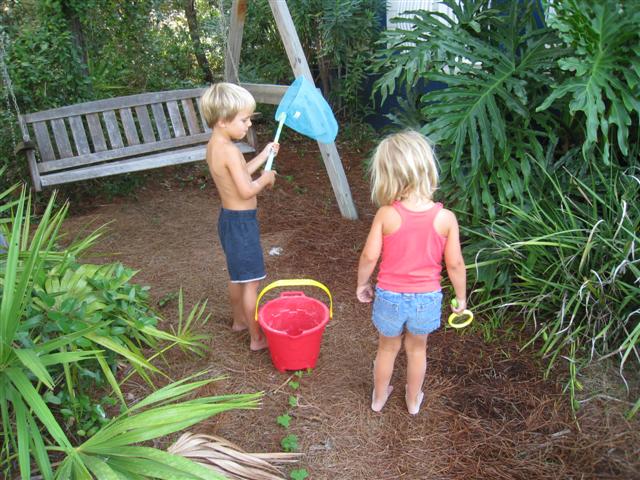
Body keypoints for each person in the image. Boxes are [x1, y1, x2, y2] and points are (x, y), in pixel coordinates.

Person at [356, 130, 467, 415]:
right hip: (426, 298)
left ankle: (379, 398)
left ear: (388, 176)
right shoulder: (445, 218)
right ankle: (413, 400)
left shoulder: (386, 214)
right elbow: (455, 264)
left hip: (390, 296)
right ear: (426, 168)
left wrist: (362, 283)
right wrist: (461, 297)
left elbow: (369, 255)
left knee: (387, 348)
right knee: (417, 350)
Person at [201, 82, 279, 351]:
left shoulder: (215, 146)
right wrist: (265, 179)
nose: (249, 124)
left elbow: (240, 173)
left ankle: (239, 322)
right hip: (242, 225)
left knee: (238, 276)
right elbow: (246, 189)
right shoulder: (231, 151)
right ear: (223, 120)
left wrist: (264, 155)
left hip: (228, 220)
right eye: (244, 120)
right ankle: (257, 339)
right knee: (251, 282)